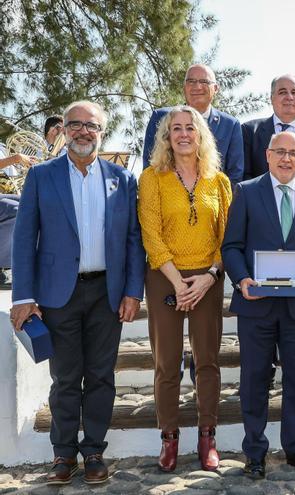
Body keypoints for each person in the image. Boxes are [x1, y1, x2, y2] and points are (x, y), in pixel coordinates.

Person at [11, 100, 145, 485]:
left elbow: (134, 241)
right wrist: (23, 296)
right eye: (76, 125)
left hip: (108, 291)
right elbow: (24, 239)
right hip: (57, 294)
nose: (84, 132)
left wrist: (132, 291)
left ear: (102, 132)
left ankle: (94, 451)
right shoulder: (41, 176)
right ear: (65, 130)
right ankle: (63, 455)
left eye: (92, 126)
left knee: (101, 375)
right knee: (66, 377)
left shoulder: (122, 179)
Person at [222, 131, 295, 478]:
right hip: (255, 304)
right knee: (254, 379)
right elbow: (231, 246)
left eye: (294, 153)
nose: (287, 158)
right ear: (268, 155)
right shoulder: (245, 191)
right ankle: (255, 451)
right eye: (280, 152)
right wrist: (242, 279)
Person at [138, 105, 232, 472]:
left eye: (190, 128)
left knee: (207, 361)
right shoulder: (152, 177)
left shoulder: (218, 182)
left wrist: (208, 277)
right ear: (166, 136)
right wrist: (179, 283)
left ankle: (208, 437)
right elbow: (151, 234)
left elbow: (227, 238)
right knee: (167, 363)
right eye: (175, 128)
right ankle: (169, 438)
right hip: (165, 275)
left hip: (208, 278)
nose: (183, 134)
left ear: (201, 135)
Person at [143, 64, 244, 184]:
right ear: (184, 87)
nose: (197, 86)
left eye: (204, 81)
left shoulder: (230, 125)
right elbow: (150, 165)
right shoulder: (160, 117)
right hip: (166, 198)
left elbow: (235, 175)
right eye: (191, 81)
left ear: (215, 88)